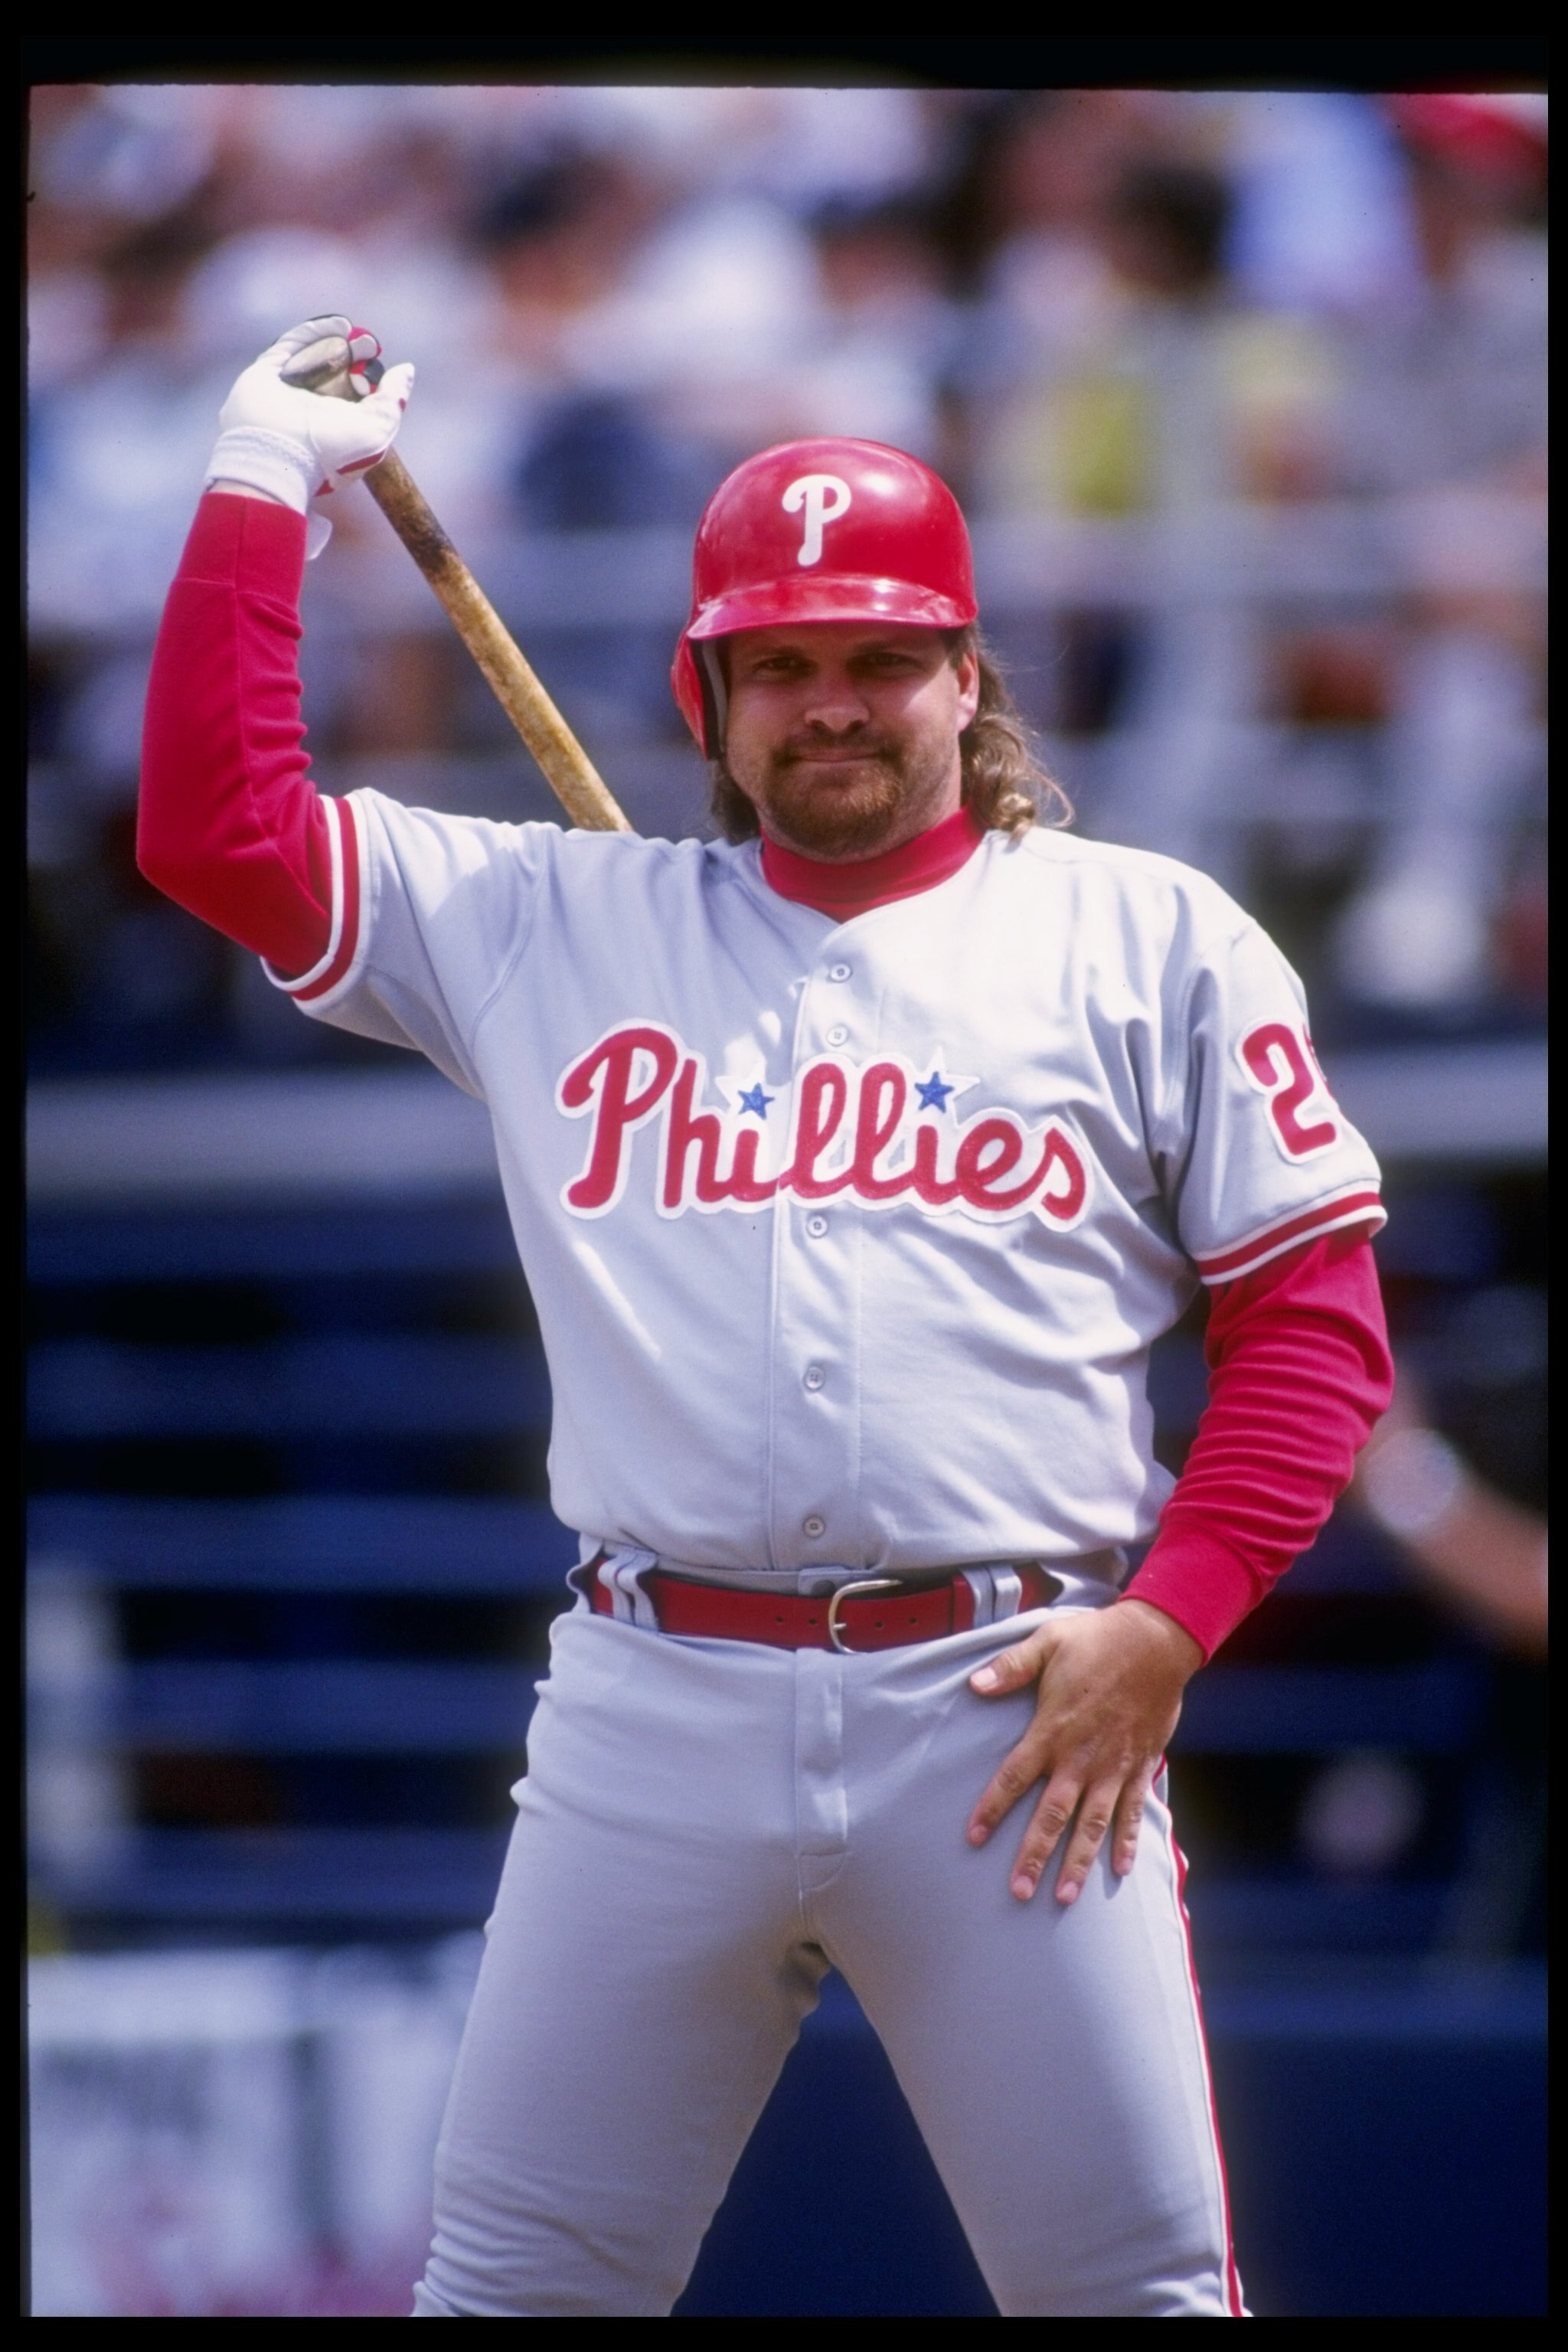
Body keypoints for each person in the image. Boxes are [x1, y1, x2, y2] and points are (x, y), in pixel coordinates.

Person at [137, 319, 1395, 2318]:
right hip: (654, 1690)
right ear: (704, 696)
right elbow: (214, 829)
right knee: (514, 2290)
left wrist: (1170, 1626)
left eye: (883, 657)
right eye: (784, 663)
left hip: (1007, 1703)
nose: (836, 704)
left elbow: (1317, 1326)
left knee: (1138, 2296)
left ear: (969, 679)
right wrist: (257, 486)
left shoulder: (1148, 934)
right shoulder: (560, 925)